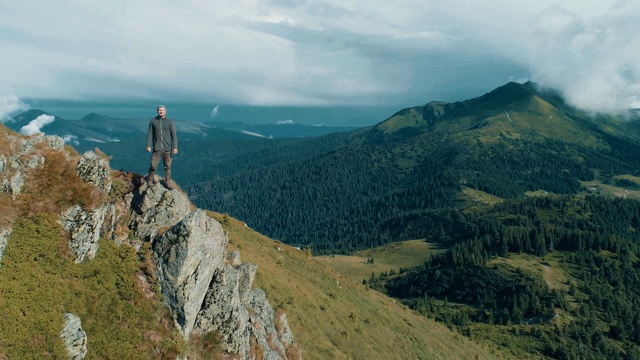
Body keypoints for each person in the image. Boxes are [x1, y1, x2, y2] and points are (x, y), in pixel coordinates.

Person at [146, 105, 178, 190]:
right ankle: (150, 180)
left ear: (165, 111)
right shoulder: (153, 121)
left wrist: (175, 147)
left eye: (163, 110)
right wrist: (148, 145)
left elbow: (173, 135)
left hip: (167, 149)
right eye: (160, 110)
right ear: (157, 111)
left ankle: (167, 182)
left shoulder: (169, 122)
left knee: (167, 166)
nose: (161, 111)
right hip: (157, 148)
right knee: (153, 165)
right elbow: (149, 134)